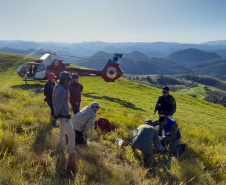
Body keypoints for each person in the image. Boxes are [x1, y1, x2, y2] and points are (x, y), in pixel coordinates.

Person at [52, 71, 76, 171]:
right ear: (64, 80)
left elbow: (57, 104)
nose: (69, 82)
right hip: (64, 117)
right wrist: (55, 115)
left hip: (62, 117)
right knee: (71, 134)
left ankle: (62, 148)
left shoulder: (59, 88)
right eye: (68, 80)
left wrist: (56, 114)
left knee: (62, 133)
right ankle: (71, 153)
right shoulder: (62, 91)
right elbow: (59, 105)